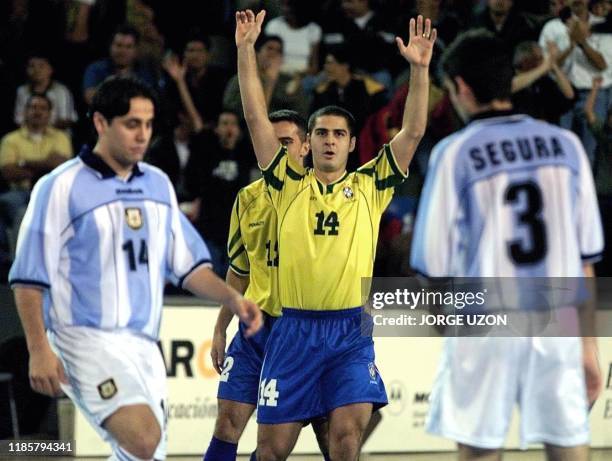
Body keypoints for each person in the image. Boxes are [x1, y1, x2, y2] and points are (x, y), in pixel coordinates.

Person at [8, 76, 261, 461]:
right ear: (100, 124)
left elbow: (188, 267)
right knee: (142, 439)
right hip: (82, 339)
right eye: (131, 124)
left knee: (144, 455)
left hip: (144, 345)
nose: (142, 134)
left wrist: (233, 298)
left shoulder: (158, 184)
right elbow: (27, 279)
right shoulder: (59, 186)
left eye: (147, 124)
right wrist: (39, 348)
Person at [236, 9, 435, 460]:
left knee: (346, 441)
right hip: (293, 332)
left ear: (350, 143)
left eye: (338, 134)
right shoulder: (286, 187)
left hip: (349, 333)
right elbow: (254, 117)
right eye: (321, 133)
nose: (329, 140)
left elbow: (415, 129)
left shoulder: (370, 185)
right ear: (307, 143)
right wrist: (246, 50)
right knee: (270, 452)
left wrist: (419, 70)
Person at [410, 30, 603, 461]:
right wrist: (588, 345)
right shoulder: (567, 147)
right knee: (568, 447)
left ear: (461, 86)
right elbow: (585, 260)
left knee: (480, 452)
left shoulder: (454, 153)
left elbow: (434, 265)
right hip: (557, 320)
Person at [203, 109, 331, 460]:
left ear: (305, 147)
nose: (275, 152)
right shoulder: (247, 198)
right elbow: (239, 269)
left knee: (294, 443)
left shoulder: (326, 197)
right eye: (269, 143)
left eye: (286, 143)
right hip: (255, 328)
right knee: (227, 422)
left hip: (302, 332)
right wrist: (220, 328)